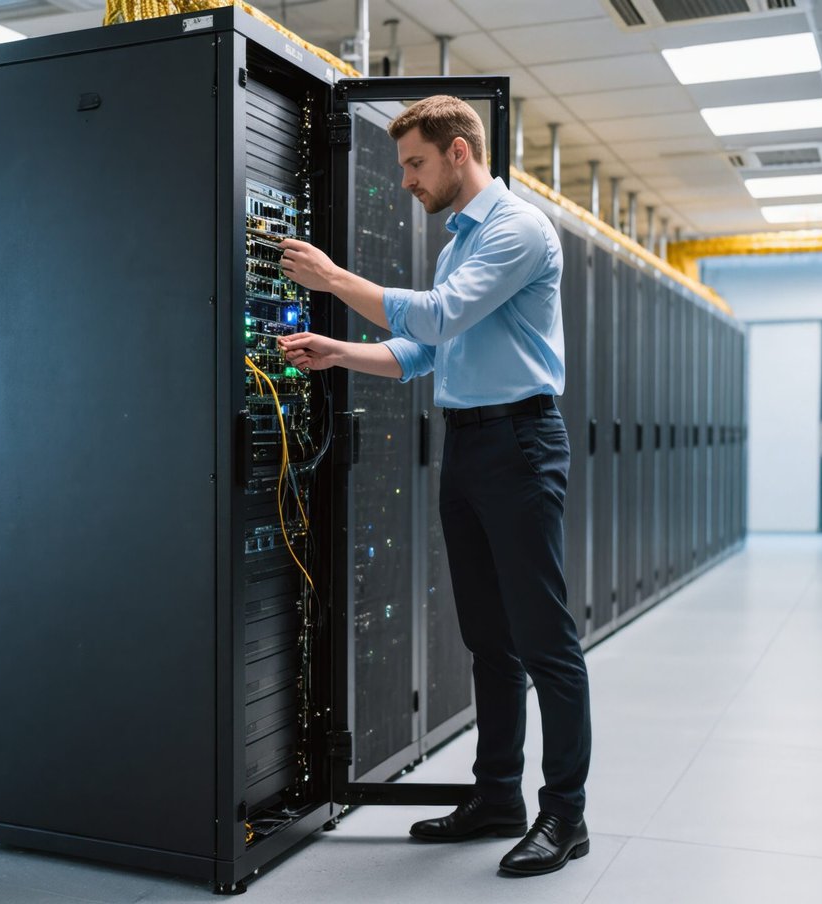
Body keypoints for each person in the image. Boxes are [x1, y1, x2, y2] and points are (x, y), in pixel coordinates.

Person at [276, 95, 591, 877]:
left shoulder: (515, 229)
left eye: (415, 163)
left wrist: (333, 277)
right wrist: (340, 352)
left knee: (544, 639)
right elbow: (422, 353)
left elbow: (440, 317)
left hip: (519, 441)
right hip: (470, 445)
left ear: (458, 151)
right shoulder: (458, 244)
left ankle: (566, 815)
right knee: (488, 638)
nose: (409, 181)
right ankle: (497, 797)